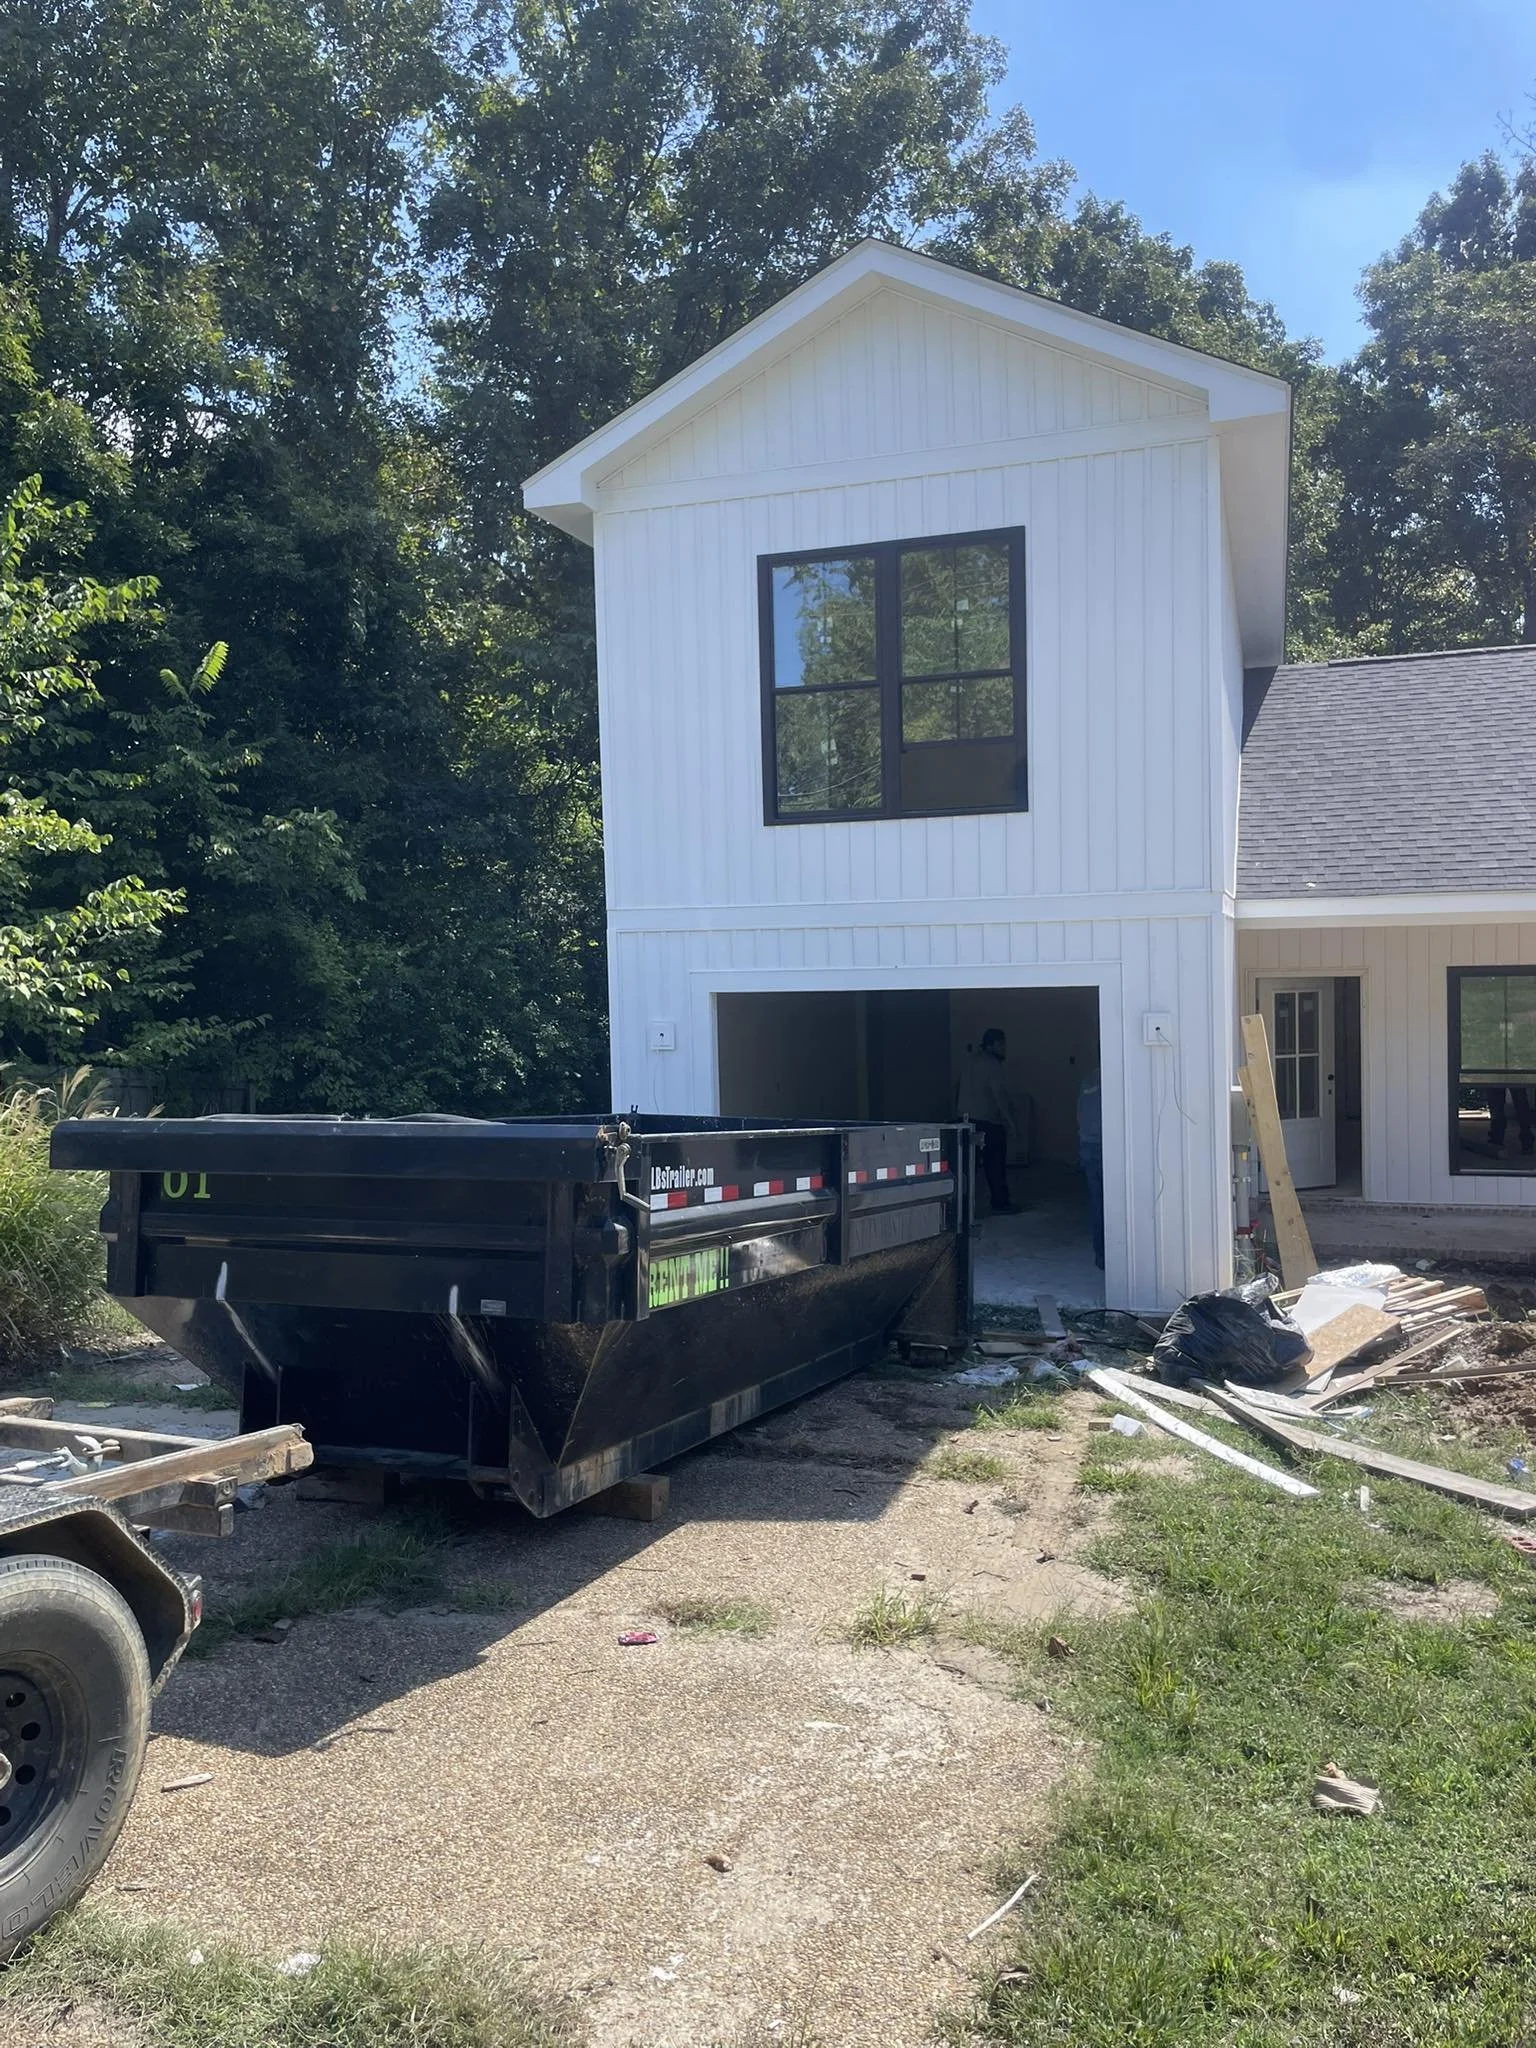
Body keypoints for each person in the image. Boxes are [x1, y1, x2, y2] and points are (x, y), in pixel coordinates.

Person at [957, 1028, 1019, 1214]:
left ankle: (962, 1207)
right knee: (995, 1165)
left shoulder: (970, 1061)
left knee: (968, 1167)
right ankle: (1000, 1203)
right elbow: (998, 1095)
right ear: (992, 1045)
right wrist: (1011, 1122)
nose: (1004, 1049)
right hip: (988, 1123)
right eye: (1001, 1044)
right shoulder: (992, 1064)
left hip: (966, 1121)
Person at [1077, 1066, 1104, 1269]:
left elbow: (1080, 1112)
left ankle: (1101, 1255)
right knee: (1111, 1203)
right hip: (1104, 1145)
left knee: (1097, 1201)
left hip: (1087, 1143)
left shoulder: (1088, 1080)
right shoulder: (1115, 1079)